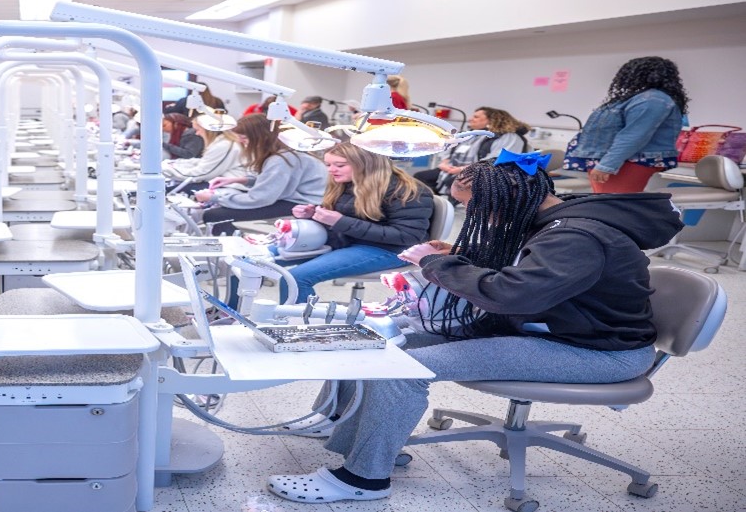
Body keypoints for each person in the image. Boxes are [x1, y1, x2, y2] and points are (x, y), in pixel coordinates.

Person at [266, 153, 680, 504]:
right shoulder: (550, 220)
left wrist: (439, 264)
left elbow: (511, 295)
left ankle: (364, 480)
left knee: (400, 369)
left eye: (476, 210)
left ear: (510, 199)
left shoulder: (577, 236)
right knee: (380, 342)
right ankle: (362, 446)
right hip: (556, 329)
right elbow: (528, 274)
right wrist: (462, 255)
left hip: (597, 353)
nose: (472, 218)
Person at [279, 142, 433, 304]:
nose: (331, 170)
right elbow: (352, 216)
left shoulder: (406, 190)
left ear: (365, 164)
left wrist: (340, 222)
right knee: (258, 259)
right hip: (347, 241)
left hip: (391, 249)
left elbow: (408, 236)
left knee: (295, 279)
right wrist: (314, 214)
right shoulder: (346, 183)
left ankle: (296, 326)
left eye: (339, 165)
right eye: (328, 165)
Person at [565, 56, 689, 193]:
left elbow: (634, 136)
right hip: (619, 159)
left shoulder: (652, 99)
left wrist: (606, 165)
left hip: (628, 161)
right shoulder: (640, 98)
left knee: (614, 206)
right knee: (606, 203)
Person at [195, 115, 325, 236]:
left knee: (215, 215)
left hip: (301, 205)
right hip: (299, 200)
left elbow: (259, 198)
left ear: (260, 137)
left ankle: (231, 250)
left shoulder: (281, 159)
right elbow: (275, 181)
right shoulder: (283, 154)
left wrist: (215, 197)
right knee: (223, 209)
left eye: (245, 138)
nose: (241, 143)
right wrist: (241, 180)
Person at [413, 107, 529, 195]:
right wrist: (445, 162)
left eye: (476, 117)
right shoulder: (471, 135)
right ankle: (434, 204)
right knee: (421, 177)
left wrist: (462, 169)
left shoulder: (510, 137)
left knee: (456, 182)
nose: (470, 119)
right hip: (453, 169)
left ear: (492, 120)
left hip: (484, 173)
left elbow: (496, 160)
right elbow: (450, 149)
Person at [165, 113, 248, 191]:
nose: (197, 134)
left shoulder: (223, 146)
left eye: (198, 130)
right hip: (225, 182)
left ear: (208, 130)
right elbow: (204, 162)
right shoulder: (223, 142)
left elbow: (202, 174)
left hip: (231, 187)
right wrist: (175, 163)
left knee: (169, 189)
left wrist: (167, 170)